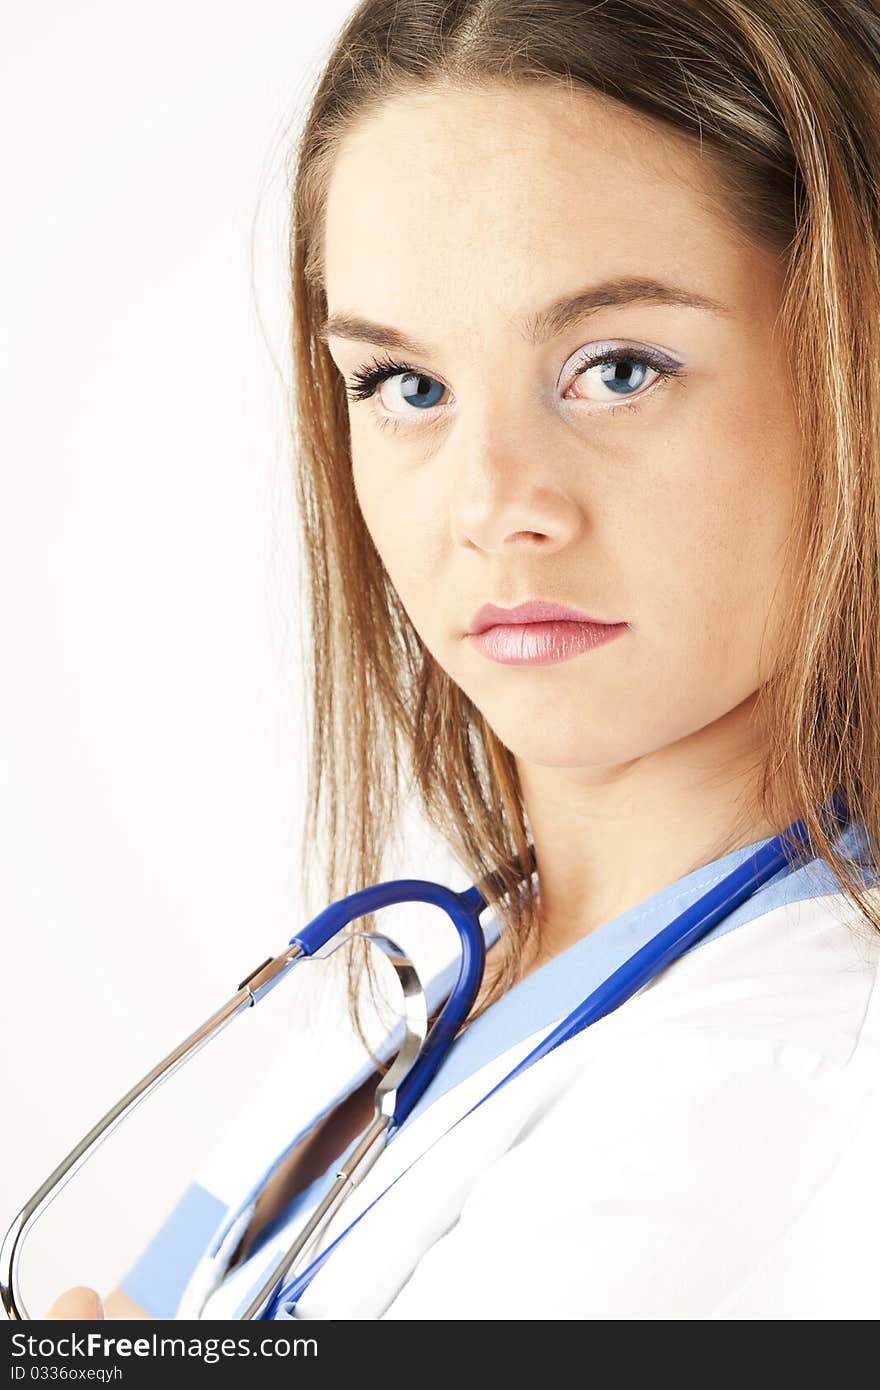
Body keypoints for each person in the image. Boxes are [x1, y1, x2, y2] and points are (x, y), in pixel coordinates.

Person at [47, 0, 880, 1320]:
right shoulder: (429, 976)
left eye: (617, 367)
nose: (493, 504)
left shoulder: (793, 1065)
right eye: (405, 385)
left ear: (855, 362)